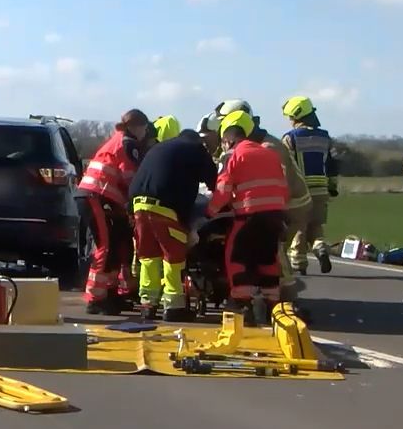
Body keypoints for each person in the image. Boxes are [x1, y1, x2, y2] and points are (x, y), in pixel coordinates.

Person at [206, 111, 290, 321]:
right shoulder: (269, 153)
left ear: (228, 139)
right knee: (268, 259)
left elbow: (223, 189)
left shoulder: (233, 155)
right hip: (275, 216)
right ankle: (273, 305)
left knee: (237, 257)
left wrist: (211, 212)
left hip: (249, 216)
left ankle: (243, 305)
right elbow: (283, 187)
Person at [129, 128, 219, 320]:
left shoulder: (160, 148)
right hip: (166, 208)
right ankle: (173, 307)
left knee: (149, 257)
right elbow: (215, 180)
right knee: (173, 258)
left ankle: (148, 304)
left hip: (139, 205)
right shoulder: (195, 149)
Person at [75, 109, 153, 314]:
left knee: (116, 243)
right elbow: (131, 179)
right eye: (144, 128)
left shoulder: (120, 140)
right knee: (106, 245)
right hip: (96, 196)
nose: (145, 132)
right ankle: (95, 298)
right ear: (137, 127)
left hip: (100, 196)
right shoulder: (128, 144)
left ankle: (108, 293)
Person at [247, 114, 312, 306]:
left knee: (274, 247)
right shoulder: (262, 144)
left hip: (292, 205)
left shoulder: (270, 148)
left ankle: (287, 296)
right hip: (287, 202)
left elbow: (280, 184)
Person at [280, 96, 340, 275]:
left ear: (296, 116)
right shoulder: (325, 137)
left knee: (299, 226)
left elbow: (285, 165)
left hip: (300, 191)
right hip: (321, 189)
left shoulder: (290, 138)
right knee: (316, 225)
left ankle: (299, 264)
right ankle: (320, 246)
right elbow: (332, 164)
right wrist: (332, 186)